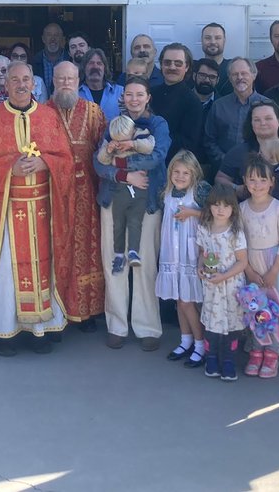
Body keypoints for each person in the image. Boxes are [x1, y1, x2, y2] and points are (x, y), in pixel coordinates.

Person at [0, 62, 76, 355]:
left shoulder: (49, 117)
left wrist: (46, 162)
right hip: (6, 210)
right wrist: (8, 167)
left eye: (26, 79)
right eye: (15, 80)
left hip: (43, 210)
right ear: (6, 85)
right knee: (6, 275)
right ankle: (5, 334)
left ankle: (40, 332)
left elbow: (66, 159)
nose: (21, 84)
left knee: (43, 268)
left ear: (34, 83)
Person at [93, 77, 171, 351]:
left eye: (139, 94)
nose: (134, 99)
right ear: (123, 98)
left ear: (148, 97)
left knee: (144, 264)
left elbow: (157, 156)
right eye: (129, 94)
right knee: (115, 262)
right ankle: (116, 325)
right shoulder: (113, 125)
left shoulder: (157, 124)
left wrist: (130, 148)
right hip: (113, 200)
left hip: (146, 203)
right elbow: (98, 163)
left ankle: (147, 326)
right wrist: (124, 175)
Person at [214, 100, 279, 306]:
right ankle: (258, 320)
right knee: (256, 282)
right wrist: (238, 189)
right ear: (250, 125)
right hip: (253, 231)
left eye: (268, 118)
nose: (263, 123)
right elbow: (220, 179)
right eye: (257, 120)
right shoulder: (240, 153)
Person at [48, 60, 106, 331]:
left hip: (86, 197)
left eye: (70, 79)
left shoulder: (94, 112)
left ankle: (87, 310)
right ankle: (58, 310)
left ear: (78, 80)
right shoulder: (42, 112)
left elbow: (104, 152)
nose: (66, 83)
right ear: (53, 81)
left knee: (86, 250)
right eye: (61, 79)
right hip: (53, 196)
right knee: (57, 251)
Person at [239, 154, 279, 379]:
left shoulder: (278, 208)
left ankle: (273, 352)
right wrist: (248, 270)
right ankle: (257, 350)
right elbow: (239, 242)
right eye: (252, 180)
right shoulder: (242, 208)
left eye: (262, 180)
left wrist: (274, 270)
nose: (257, 185)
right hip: (252, 263)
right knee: (255, 308)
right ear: (245, 181)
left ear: (271, 182)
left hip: (275, 263)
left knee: (275, 308)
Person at [157, 151, 209, 369]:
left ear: (194, 173)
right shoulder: (167, 193)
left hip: (191, 253)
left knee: (188, 301)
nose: (180, 176)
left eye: (185, 173)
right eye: (176, 172)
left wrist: (192, 213)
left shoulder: (199, 191)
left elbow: (215, 214)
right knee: (179, 300)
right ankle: (185, 340)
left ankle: (200, 344)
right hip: (172, 253)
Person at [197, 185, 249, 381]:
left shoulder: (235, 232)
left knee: (231, 324)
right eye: (216, 205)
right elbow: (202, 253)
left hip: (231, 286)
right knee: (212, 323)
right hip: (212, 286)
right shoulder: (204, 228)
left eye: (226, 206)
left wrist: (225, 276)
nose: (220, 210)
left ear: (233, 209)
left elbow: (242, 262)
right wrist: (199, 267)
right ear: (209, 206)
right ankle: (211, 358)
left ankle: (228, 360)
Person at [96, 113, 157, 273]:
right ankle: (118, 254)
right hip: (119, 189)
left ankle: (133, 252)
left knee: (135, 221)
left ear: (133, 131)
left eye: (124, 139)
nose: (121, 144)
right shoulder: (111, 138)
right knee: (118, 223)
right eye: (118, 141)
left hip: (140, 189)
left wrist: (132, 144)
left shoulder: (142, 134)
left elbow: (150, 148)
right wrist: (109, 150)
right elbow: (101, 160)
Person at [202, 57, 269, 177]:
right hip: (223, 172)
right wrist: (226, 161)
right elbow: (209, 140)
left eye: (244, 73)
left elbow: (274, 139)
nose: (239, 77)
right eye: (235, 74)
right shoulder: (219, 106)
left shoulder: (268, 106)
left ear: (254, 75)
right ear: (229, 78)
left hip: (258, 175)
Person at [151, 43, 204, 162]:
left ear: (187, 67)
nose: (172, 67)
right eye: (167, 62)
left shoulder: (192, 102)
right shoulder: (150, 94)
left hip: (173, 165)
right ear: (161, 65)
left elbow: (189, 143)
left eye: (178, 63)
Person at [78, 47, 123, 120]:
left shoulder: (120, 92)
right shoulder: (75, 94)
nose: (95, 67)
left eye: (99, 63)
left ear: (105, 68)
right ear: (84, 68)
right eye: (91, 63)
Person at [199, 22, 234, 97]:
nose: (213, 42)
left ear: (224, 40)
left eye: (218, 38)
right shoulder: (193, 69)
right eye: (208, 38)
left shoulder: (234, 68)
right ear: (201, 40)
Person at [35, 21, 68, 93]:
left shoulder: (70, 60)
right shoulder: (34, 61)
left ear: (62, 39)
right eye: (49, 35)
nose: (53, 39)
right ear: (43, 39)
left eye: (56, 35)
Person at [193, 57, 222, 125]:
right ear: (194, 76)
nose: (207, 80)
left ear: (217, 80)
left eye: (212, 77)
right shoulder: (181, 99)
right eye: (202, 75)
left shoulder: (223, 106)